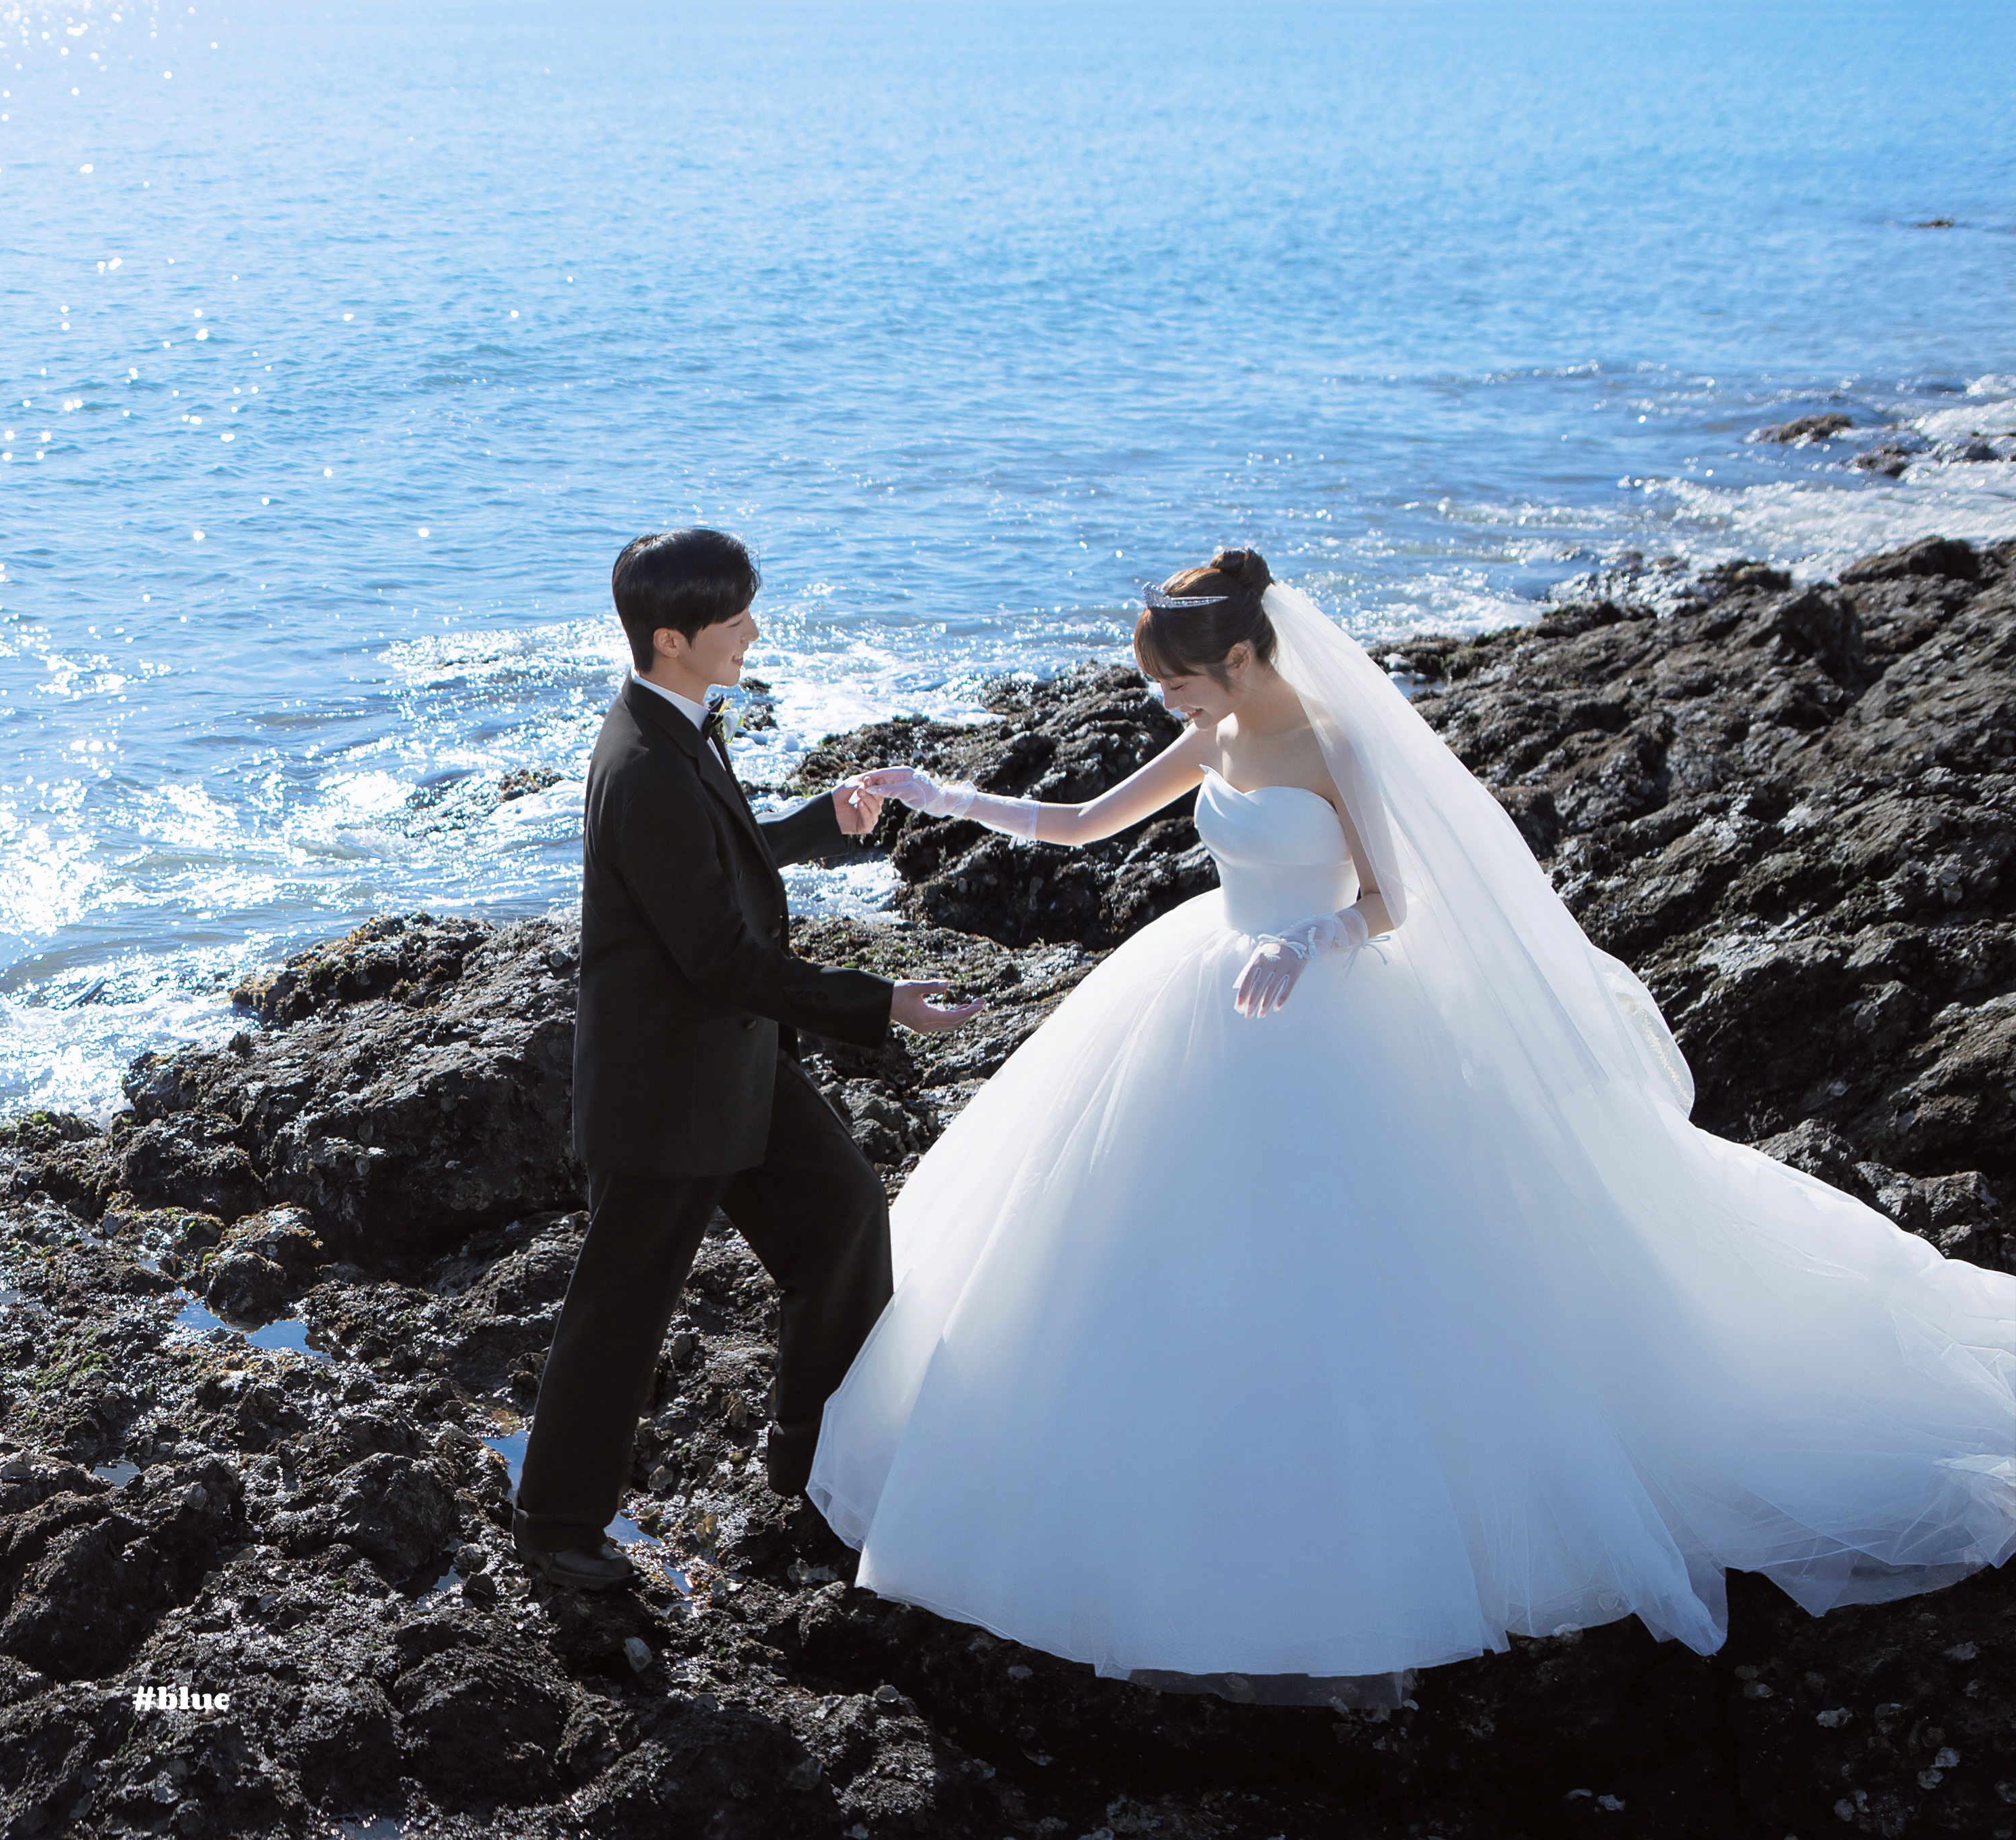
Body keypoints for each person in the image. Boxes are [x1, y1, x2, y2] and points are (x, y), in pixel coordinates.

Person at [814, 546, 2016, 1683]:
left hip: (1320, 1003)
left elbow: (1397, 895)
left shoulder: (1333, 742)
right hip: (1198, 990)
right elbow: (1078, 825)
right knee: (1152, 1253)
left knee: (1365, 1267)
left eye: (1179, 683)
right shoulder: (1217, 730)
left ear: (1241, 658)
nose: (1171, 705)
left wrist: (1315, 939)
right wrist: (938, 792)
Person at [513, 529, 976, 1593]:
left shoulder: (675, 725)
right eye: (735, 623)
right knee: (622, 1310)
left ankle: (812, 1456)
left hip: (735, 1068)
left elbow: (715, 866)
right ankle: (556, 1528)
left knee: (844, 1215)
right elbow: (720, 956)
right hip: (670, 1090)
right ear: (671, 638)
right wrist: (881, 1004)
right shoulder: (644, 765)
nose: (754, 635)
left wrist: (821, 824)